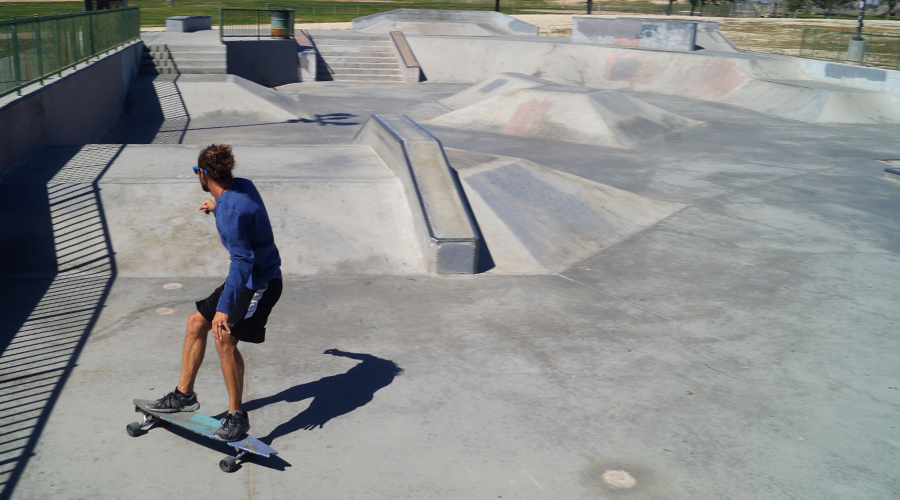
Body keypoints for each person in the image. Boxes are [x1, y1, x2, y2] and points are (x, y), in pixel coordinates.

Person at [146, 144, 282, 442]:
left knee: (223, 339)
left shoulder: (230, 211)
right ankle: (184, 395)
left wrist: (224, 308)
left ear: (204, 174)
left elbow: (242, 261)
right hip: (247, 279)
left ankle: (237, 416)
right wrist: (216, 205)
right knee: (196, 323)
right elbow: (241, 209)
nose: (197, 176)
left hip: (259, 284)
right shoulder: (241, 189)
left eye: (197, 172)